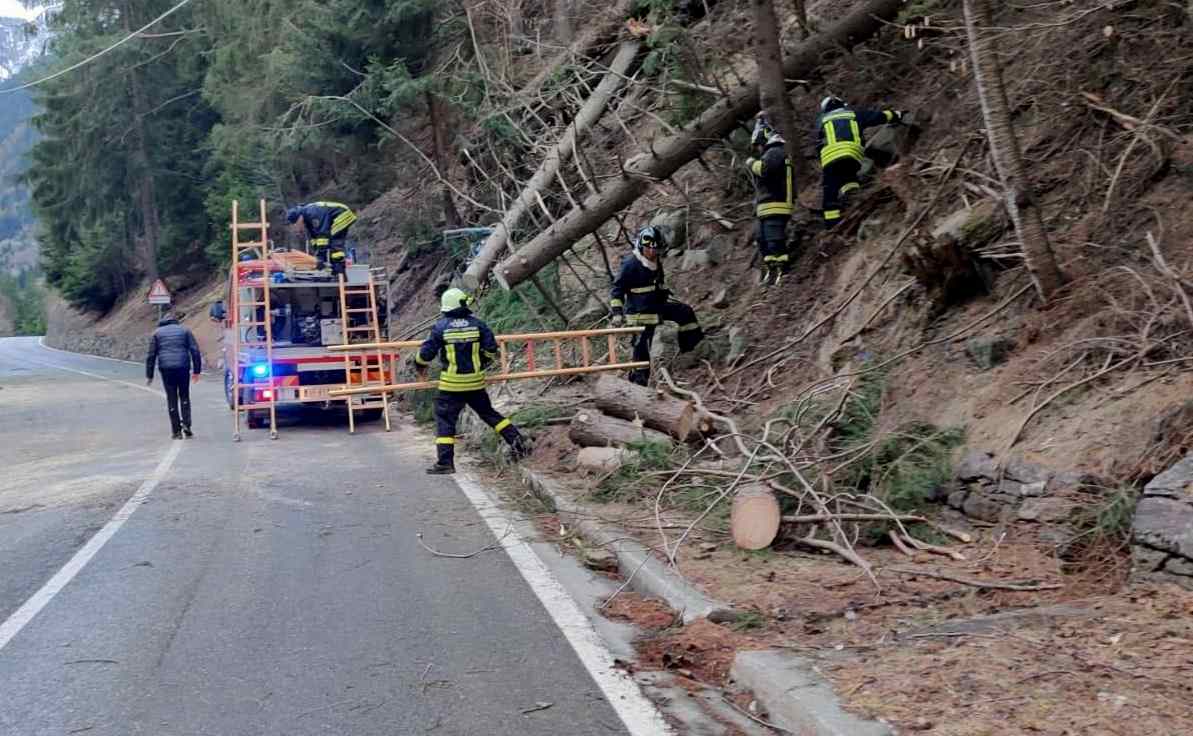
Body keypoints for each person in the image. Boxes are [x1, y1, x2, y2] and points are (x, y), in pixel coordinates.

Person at [415, 288, 530, 475]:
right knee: (489, 414)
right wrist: (481, 362)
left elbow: (425, 355)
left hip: (451, 385)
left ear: (446, 307)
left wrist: (418, 365)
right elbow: (491, 349)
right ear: (463, 304)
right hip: (475, 382)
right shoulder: (478, 325)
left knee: (445, 421)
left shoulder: (440, 327)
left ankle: (445, 463)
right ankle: (519, 443)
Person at [609, 226, 704, 386]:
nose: (652, 253)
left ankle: (691, 349)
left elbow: (657, 283)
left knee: (685, 312)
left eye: (655, 249)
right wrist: (617, 313)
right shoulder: (630, 264)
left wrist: (663, 291)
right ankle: (639, 381)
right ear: (641, 246)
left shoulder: (655, 261)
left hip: (656, 307)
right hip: (639, 314)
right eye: (648, 249)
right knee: (642, 348)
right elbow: (617, 290)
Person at [815, 97, 906, 228]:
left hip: (830, 158)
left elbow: (818, 144)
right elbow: (877, 117)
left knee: (831, 190)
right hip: (852, 155)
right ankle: (855, 201)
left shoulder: (821, 121)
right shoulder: (852, 114)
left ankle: (832, 224)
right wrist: (897, 115)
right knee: (850, 179)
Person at [746, 114, 796, 287]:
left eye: (758, 145)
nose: (758, 149)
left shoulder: (776, 152)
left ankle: (784, 270)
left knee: (774, 240)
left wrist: (751, 163)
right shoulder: (772, 152)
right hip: (766, 207)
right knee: (762, 239)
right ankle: (772, 270)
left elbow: (765, 170)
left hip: (776, 205)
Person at [146, 310, 202, 440]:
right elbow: (195, 350)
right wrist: (196, 371)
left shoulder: (157, 333)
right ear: (176, 321)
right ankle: (187, 425)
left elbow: (151, 355)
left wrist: (150, 375)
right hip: (183, 367)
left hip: (166, 369)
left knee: (171, 398)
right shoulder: (185, 331)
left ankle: (176, 432)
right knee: (184, 396)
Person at [285, 201, 358, 275]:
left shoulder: (312, 213)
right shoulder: (307, 219)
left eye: (296, 223)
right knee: (329, 242)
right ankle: (335, 268)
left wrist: (320, 257)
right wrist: (317, 254)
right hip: (335, 217)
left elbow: (323, 233)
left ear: (299, 217)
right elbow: (314, 238)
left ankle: (339, 269)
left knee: (334, 241)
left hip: (342, 214)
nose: (297, 227)